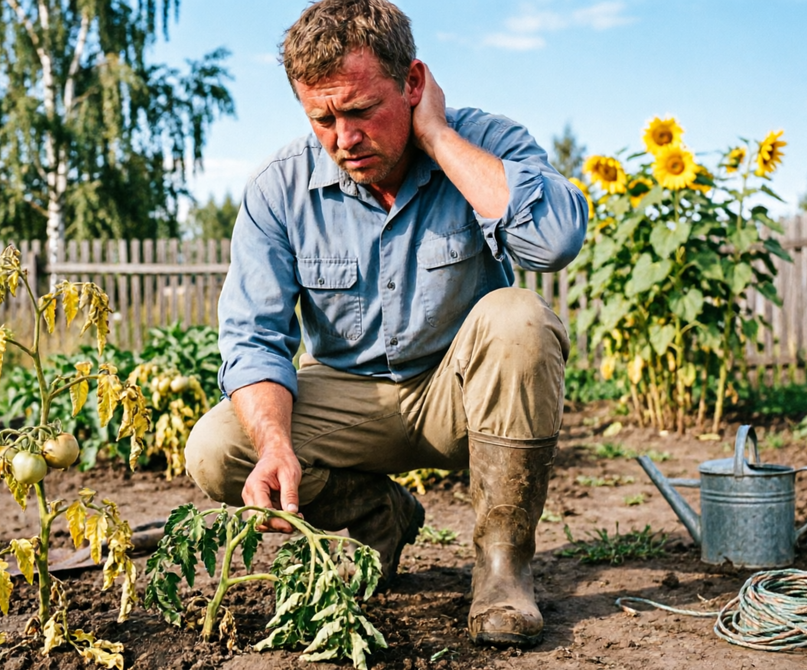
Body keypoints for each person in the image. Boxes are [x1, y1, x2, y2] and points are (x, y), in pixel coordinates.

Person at [184, 0, 587, 648]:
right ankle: (380, 517)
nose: (344, 138)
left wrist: (438, 140)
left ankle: (502, 570)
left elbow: (556, 240)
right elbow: (253, 337)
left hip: (458, 395)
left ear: (413, 83)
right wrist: (277, 446)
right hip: (350, 398)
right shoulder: (278, 191)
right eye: (323, 118)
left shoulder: (484, 141)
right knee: (217, 447)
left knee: (519, 318)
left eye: (362, 110)